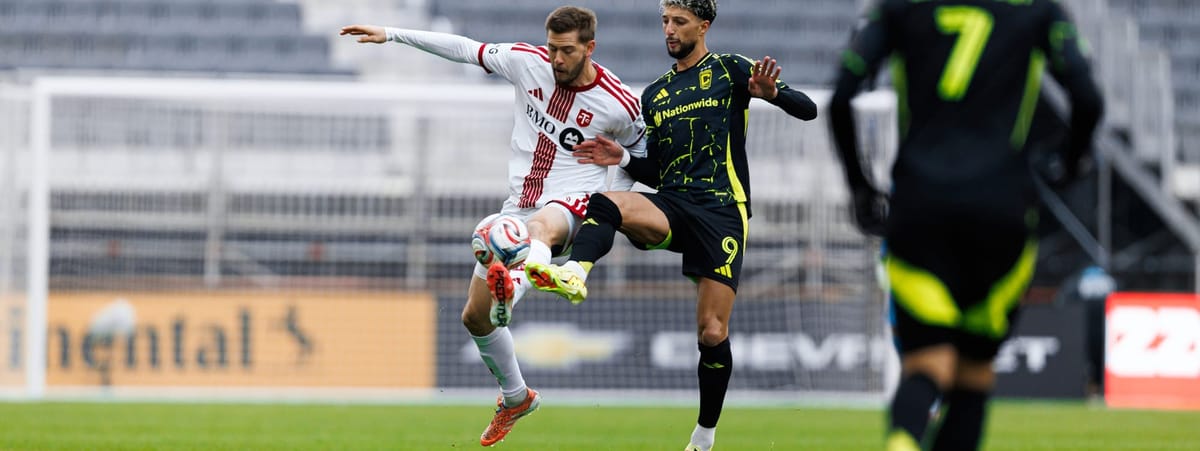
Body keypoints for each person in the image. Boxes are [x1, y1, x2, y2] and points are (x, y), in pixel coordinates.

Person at [341, 6, 647, 447]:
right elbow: (465, 49)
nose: (557, 59)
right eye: (552, 49)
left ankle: (524, 282)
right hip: (516, 207)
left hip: (570, 207)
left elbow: (640, 155)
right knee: (475, 316)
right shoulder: (527, 62)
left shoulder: (618, 102)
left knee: (539, 228)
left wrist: (610, 206)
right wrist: (391, 34)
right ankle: (516, 396)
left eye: (566, 51)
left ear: (589, 48)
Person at [524, 1, 817, 450]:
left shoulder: (730, 69)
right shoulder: (655, 94)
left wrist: (773, 93)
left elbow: (809, 108)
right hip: (673, 204)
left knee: (712, 332)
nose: (669, 30)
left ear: (704, 25)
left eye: (678, 21)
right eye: (665, 21)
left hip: (722, 210)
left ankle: (703, 437)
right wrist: (622, 158)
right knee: (607, 202)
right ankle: (574, 273)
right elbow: (658, 169)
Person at [827, 0, 1103, 449]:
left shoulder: (899, 7)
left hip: (919, 207)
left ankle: (902, 442)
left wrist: (861, 188)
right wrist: (1069, 164)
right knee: (973, 373)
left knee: (926, 364)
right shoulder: (1038, 10)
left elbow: (841, 96)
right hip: (1002, 210)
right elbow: (1088, 98)